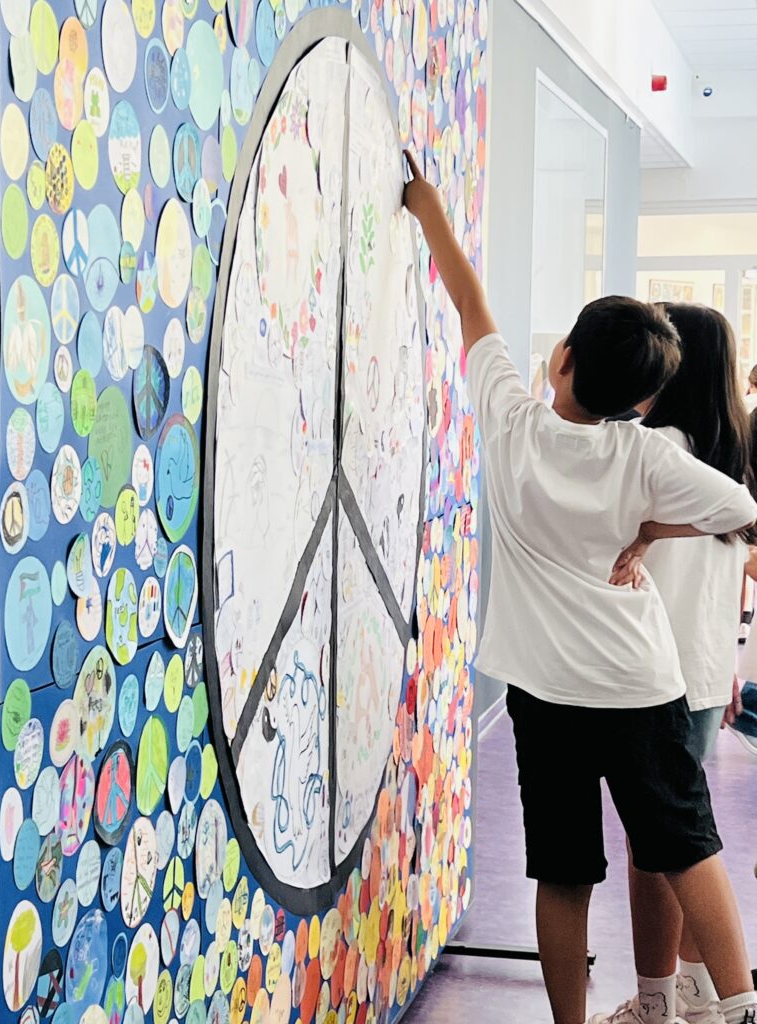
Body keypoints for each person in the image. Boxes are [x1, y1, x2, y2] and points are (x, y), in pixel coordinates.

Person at [402, 150, 757, 1024]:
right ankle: (741, 1005)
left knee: (562, 872)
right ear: (639, 401)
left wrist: (428, 207)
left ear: (560, 358)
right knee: (686, 845)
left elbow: (470, 304)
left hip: (547, 691)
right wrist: (651, 530)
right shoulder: (643, 455)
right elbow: (741, 506)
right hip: (641, 684)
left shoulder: (511, 425)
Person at [596, 304, 757, 1024]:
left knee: (657, 848)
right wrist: (726, 667)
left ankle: (662, 1001)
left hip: (653, 675)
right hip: (703, 667)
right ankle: (692, 991)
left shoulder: (655, 448)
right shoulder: (731, 452)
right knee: (686, 837)